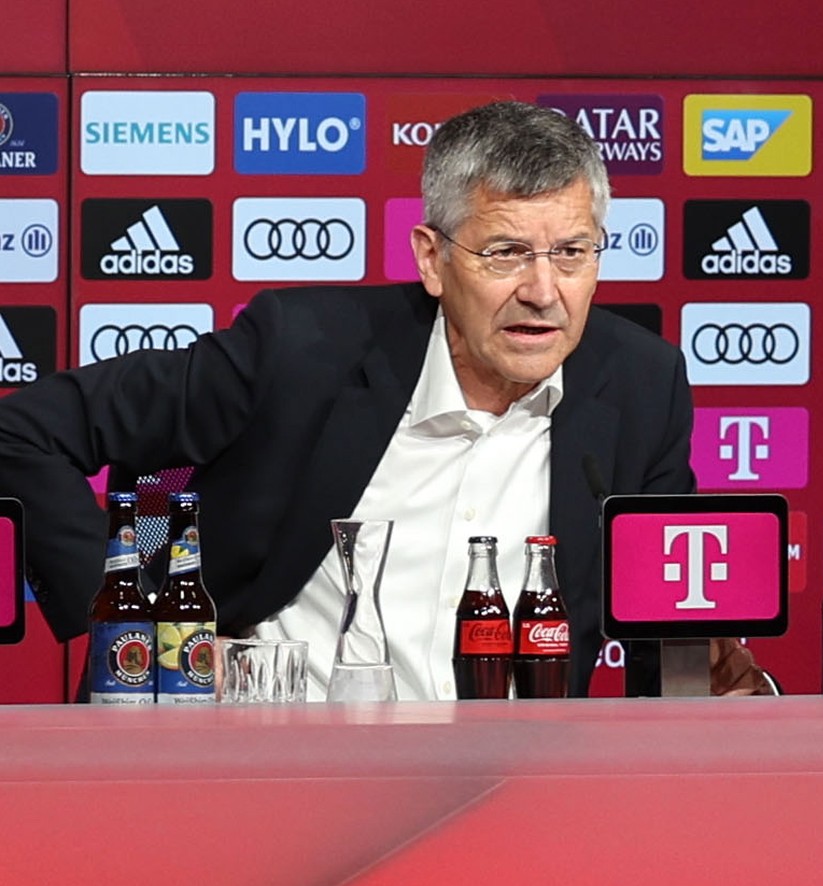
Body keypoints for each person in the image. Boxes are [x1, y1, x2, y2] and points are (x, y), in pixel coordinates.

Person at [0, 100, 772, 699]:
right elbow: (23, 431)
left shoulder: (639, 385)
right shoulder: (301, 351)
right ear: (433, 259)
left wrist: (717, 682)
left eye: (571, 252)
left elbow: (668, 629)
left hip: (502, 798)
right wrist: (125, 614)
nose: (544, 292)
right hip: (261, 770)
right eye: (506, 253)